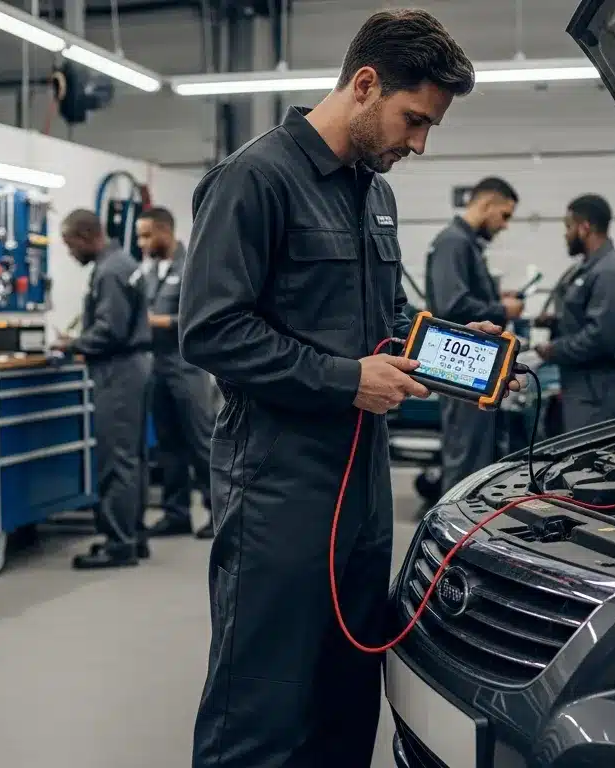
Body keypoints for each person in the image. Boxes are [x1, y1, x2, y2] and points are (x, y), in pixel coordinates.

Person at [178, 10, 516, 767]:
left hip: (362, 495)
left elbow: (388, 326)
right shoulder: (254, 179)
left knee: (346, 707)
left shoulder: (375, 193)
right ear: (365, 85)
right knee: (261, 718)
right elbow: (210, 330)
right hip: (279, 497)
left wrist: (454, 351)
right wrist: (345, 380)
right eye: (414, 119)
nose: (420, 143)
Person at [56, 209, 153, 569]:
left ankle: (119, 544)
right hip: (135, 366)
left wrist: (71, 345)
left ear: (85, 236)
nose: (70, 253)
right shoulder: (123, 262)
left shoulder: (110, 270)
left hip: (120, 370)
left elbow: (110, 329)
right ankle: (134, 536)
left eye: (69, 245)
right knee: (134, 458)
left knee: (117, 459)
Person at [424, 176, 524, 492]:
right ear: (486, 204)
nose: (505, 225)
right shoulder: (453, 242)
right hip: (461, 371)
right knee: (465, 464)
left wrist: (495, 300)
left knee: (480, 463)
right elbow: (451, 304)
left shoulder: (467, 244)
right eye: (504, 215)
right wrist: (502, 310)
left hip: (478, 371)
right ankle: (452, 539)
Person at [135, 207, 216, 540]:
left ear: (165, 232)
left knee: (202, 443)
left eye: (147, 235)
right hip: (158, 366)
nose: (142, 243)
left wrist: (162, 322)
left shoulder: (193, 264)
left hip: (188, 367)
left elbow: (207, 316)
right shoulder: (151, 270)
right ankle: (176, 513)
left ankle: (219, 513)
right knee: (168, 445)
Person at [536, 194, 615, 433]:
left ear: (585, 227)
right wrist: (554, 322)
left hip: (598, 394)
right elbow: (582, 315)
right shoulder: (585, 268)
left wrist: (554, 350)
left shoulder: (609, 272)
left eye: (568, 227)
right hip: (580, 386)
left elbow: (603, 336)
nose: (565, 234)